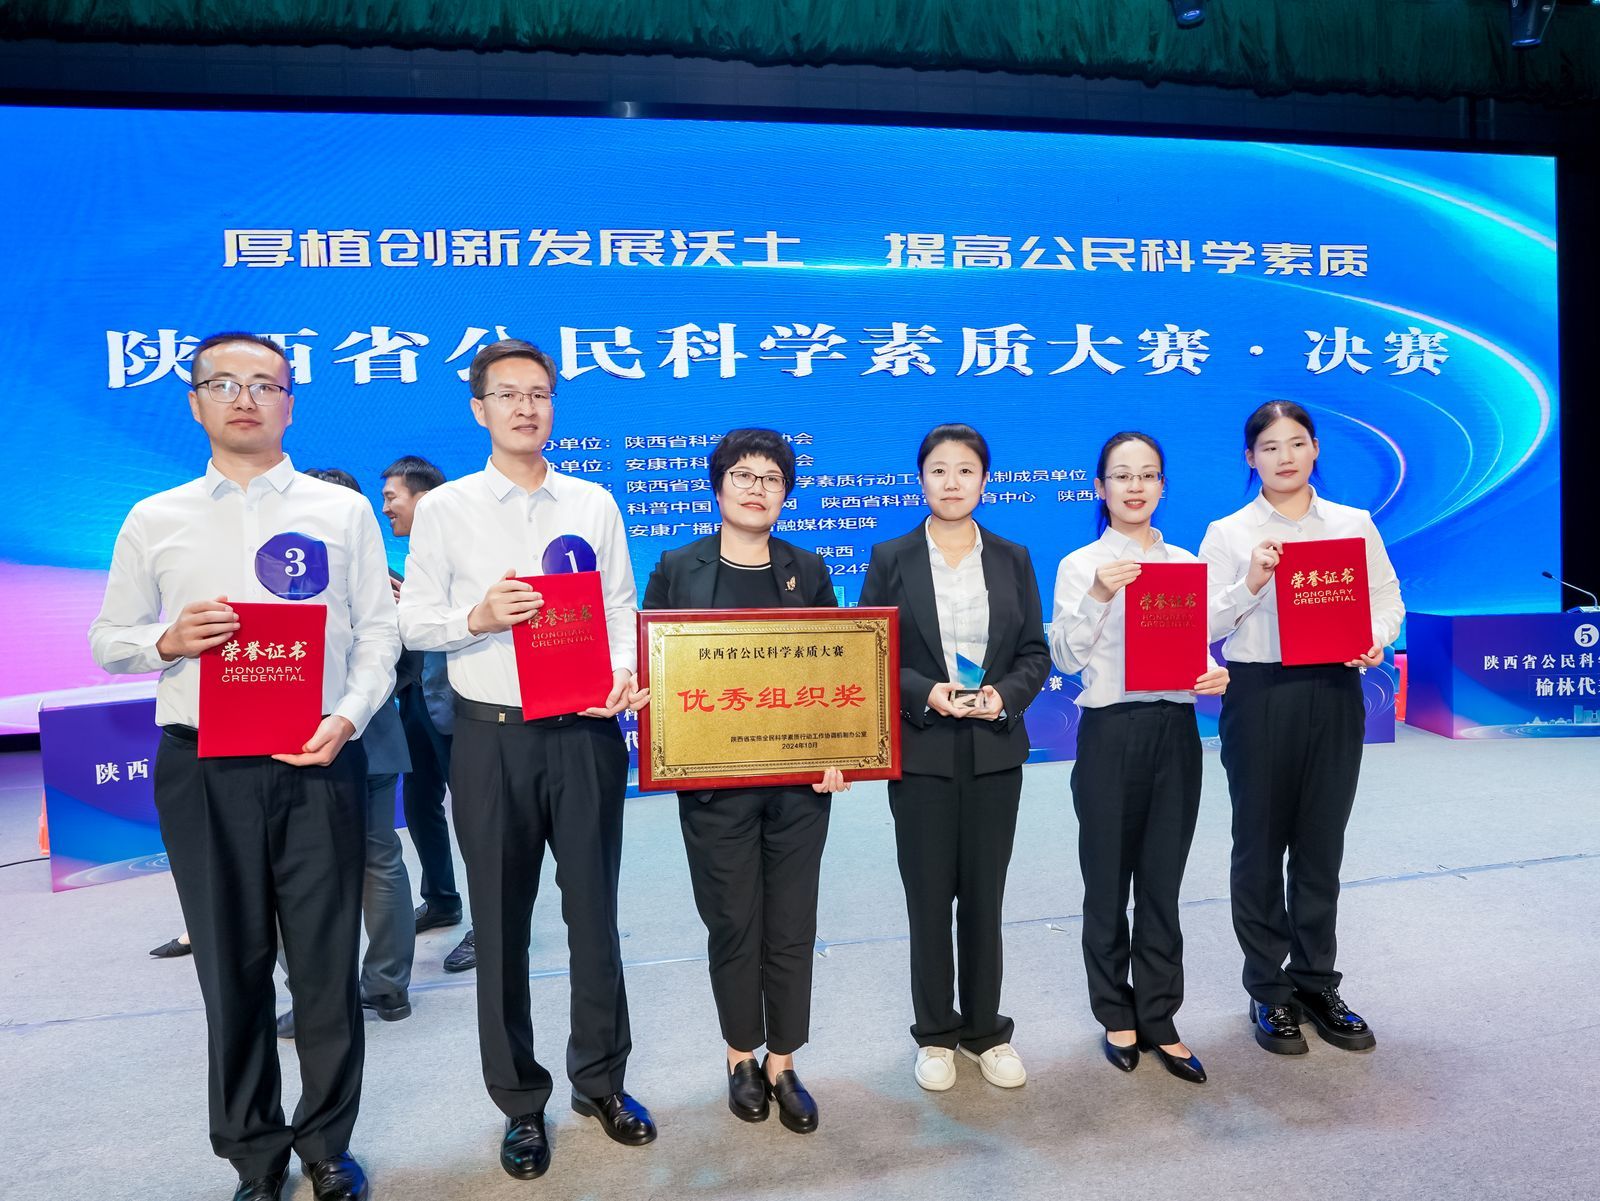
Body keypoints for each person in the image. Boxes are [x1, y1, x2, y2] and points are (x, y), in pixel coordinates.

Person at [88, 332, 398, 1201]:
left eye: (266, 383)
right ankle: (254, 1155)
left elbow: (379, 632)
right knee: (230, 966)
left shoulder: (340, 512)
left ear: (290, 402)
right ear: (195, 402)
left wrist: (348, 716)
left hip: (318, 759)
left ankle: (327, 1145)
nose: (246, 398)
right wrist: (166, 639)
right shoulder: (157, 516)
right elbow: (108, 638)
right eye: (224, 383)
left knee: (326, 965)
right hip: (204, 768)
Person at [396, 338, 653, 1180]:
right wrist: (476, 617)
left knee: (595, 917)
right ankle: (519, 1102)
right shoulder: (447, 509)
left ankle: (601, 1081)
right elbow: (412, 620)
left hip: (584, 736)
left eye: (539, 393)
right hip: (493, 738)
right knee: (501, 926)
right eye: (507, 394)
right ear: (479, 409)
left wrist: (623, 674)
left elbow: (618, 605)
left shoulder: (593, 502)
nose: (525, 407)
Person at [637, 427, 846, 1135]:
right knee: (733, 922)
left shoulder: (807, 570)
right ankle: (740, 1056)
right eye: (743, 475)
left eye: (772, 478)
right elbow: (657, 670)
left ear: (787, 493)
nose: (757, 488)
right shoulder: (677, 567)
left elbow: (834, 670)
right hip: (714, 786)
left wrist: (839, 748)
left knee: (791, 923)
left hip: (798, 785)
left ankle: (783, 1060)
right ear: (718, 484)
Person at [1198, 400, 1404, 1056]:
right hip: (1259, 692)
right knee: (1259, 843)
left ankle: (1316, 981)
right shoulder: (1228, 532)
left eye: (1296, 443)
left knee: (1320, 843)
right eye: (1269, 446)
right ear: (1250, 458)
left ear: (1315, 449)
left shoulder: (1352, 523)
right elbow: (1205, 623)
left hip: (1335, 690)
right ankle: (1267, 987)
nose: (1284, 456)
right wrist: (1252, 580)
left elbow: (1386, 598)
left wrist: (1374, 637)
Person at [859, 423, 1050, 1093]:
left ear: (984, 480)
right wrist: (925, 692)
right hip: (924, 754)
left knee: (985, 898)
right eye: (938, 470)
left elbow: (1034, 652)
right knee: (929, 898)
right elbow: (871, 646)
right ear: (921, 480)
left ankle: (986, 1031)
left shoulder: (1013, 557)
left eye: (965, 470)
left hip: (994, 751)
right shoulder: (892, 556)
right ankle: (936, 1034)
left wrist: (1003, 697)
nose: (951, 482)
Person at [1049, 432, 1228, 1085]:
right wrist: (1098, 593)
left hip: (1175, 730)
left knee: (1161, 882)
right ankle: (1115, 1013)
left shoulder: (1182, 563)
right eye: (1121, 475)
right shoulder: (1080, 564)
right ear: (1100, 488)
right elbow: (1066, 657)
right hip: (1110, 732)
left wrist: (1212, 674)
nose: (1135, 486)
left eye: (1147, 474)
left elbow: (1194, 645)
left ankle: (1160, 1015)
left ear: (1162, 486)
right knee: (1106, 880)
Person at [274, 468, 415, 1038]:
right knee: (377, 859)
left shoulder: (277, 573)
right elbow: (405, 663)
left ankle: (326, 995)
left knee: (301, 868)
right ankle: (385, 986)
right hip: (362, 734)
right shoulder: (384, 577)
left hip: (334, 737)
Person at [382, 455, 473, 974]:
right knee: (419, 804)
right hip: (414, 697)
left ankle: (492, 920)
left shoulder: (461, 550)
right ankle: (440, 898)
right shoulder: (405, 560)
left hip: (459, 697)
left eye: (392, 497)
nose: (386, 508)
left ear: (425, 498)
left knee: (475, 815)